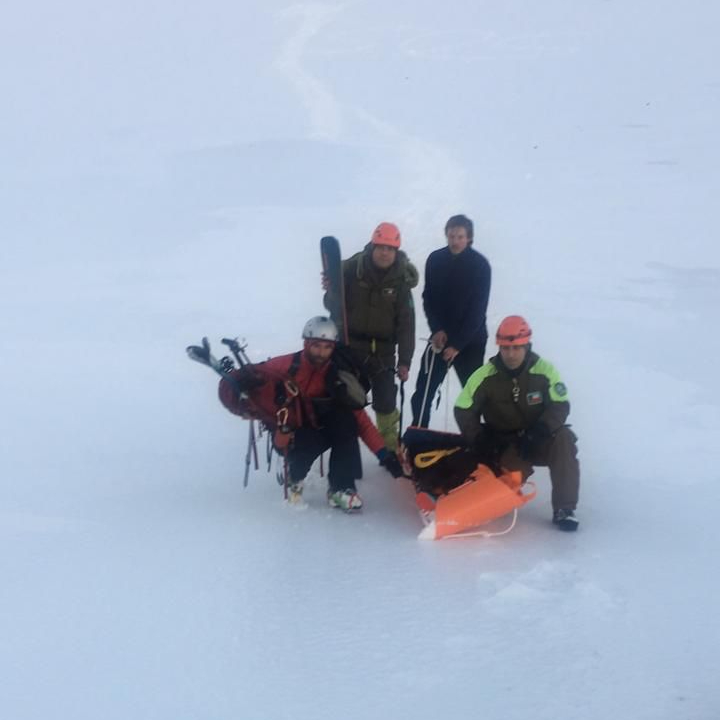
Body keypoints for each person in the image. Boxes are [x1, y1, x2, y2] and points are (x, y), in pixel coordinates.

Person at [218, 316, 404, 512]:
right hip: (290, 433)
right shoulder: (284, 365)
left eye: (327, 347)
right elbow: (232, 388)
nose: (321, 353)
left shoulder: (336, 374)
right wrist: (234, 387)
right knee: (309, 443)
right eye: (316, 346)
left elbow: (360, 419)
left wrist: (384, 455)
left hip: (320, 426)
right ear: (306, 343)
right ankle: (295, 478)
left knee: (347, 422)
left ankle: (341, 489)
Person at [454, 316, 580, 531]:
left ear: (526, 346)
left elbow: (560, 404)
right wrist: (479, 438)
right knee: (506, 486)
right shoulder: (484, 376)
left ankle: (564, 508)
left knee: (564, 438)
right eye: (505, 348)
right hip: (505, 444)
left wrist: (541, 430)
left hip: (538, 438)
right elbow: (463, 408)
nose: (511, 354)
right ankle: (468, 507)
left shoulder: (545, 371)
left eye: (516, 348)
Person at [325, 222, 418, 451]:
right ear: (372, 246)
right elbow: (332, 305)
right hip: (351, 348)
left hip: (384, 353)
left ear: (396, 251)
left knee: (386, 402)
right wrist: (330, 289)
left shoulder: (401, 282)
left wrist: (404, 361)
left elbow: (407, 325)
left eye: (390, 248)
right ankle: (344, 446)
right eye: (381, 247)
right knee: (346, 397)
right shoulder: (352, 269)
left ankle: (390, 449)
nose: (385, 253)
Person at [411, 214, 491, 428]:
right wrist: (436, 329)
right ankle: (418, 433)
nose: (455, 241)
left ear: (469, 238)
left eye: (460, 237)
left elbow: (478, 311)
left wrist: (457, 345)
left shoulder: (480, 266)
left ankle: (477, 438)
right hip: (440, 339)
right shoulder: (435, 260)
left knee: (473, 396)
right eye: (452, 236)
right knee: (423, 392)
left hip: (471, 341)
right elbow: (428, 298)